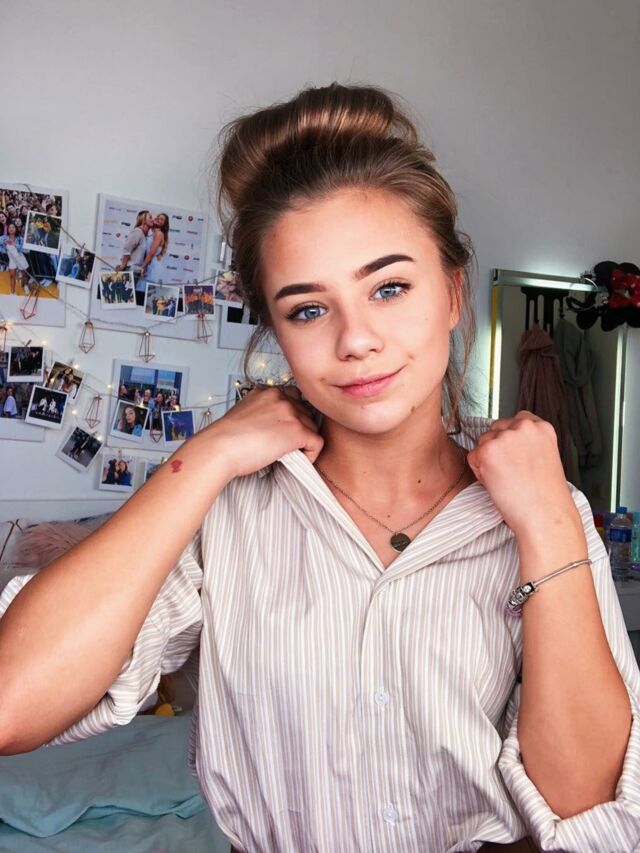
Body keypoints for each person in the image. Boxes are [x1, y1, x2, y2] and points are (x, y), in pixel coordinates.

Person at [0, 84, 639, 853]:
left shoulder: (547, 510)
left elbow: (586, 806)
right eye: (308, 308)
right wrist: (203, 457)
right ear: (277, 331)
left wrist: (548, 521)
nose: (356, 339)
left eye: (389, 287)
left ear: (452, 293)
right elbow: (12, 703)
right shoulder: (227, 507)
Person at [0, 223, 30, 295]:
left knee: (24, 274)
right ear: (7, 229)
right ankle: (13, 292)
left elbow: (27, 250)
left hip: (20, 259)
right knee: (12, 276)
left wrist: (15, 244)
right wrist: (3, 243)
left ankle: (26, 286)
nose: (11, 229)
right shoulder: (4, 237)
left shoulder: (20, 239)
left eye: (13, 227)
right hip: (12, 260)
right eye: (9, 227)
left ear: (16, 229)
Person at [140, 212, 169, 282]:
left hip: (152, 267)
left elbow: (151, 253)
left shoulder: (159, 234)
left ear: (164, 224)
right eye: (158, 217)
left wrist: (143, 267)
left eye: (162, 219)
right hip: (149, 264)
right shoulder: (152, 232)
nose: (159, 219)